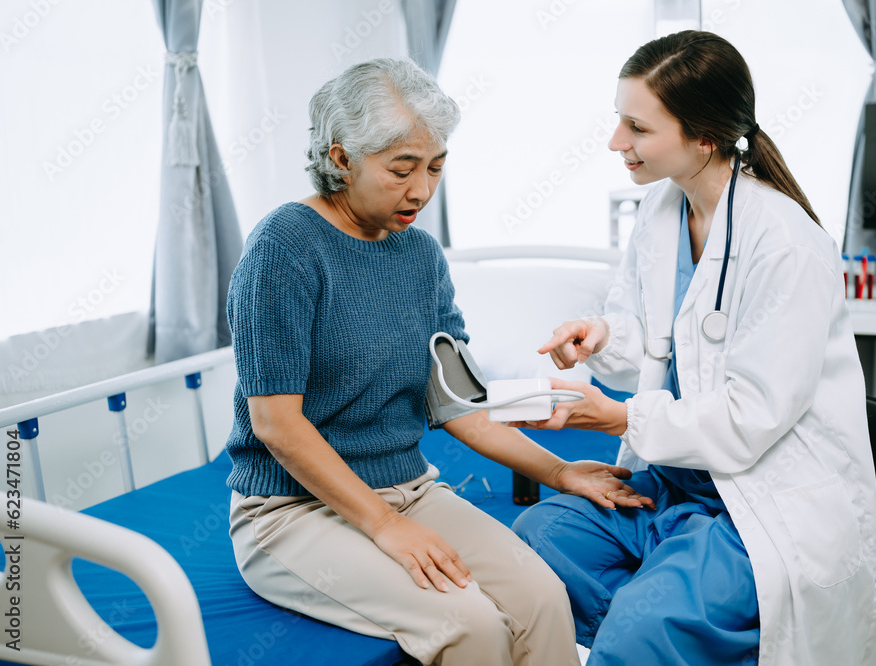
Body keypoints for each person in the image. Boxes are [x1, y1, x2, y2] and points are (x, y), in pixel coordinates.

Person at [224, 57, 649, 666]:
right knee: (468, 624)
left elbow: (457, 405)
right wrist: (385, 526)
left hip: (408, 489)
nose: (422, 190)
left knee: (543, 599)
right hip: (291, 512)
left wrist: (560, 472)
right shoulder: (284, 249)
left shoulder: (420, 256)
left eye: (436, 167)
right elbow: (277, 426)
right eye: (402, 169)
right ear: (340, 159)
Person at [511, 32, 876, 665]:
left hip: (754, 504)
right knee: (537, 540)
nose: (615, 143)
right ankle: (658, 633)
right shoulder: (662, 208)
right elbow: (655, 337)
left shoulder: (786, 245)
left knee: (640, 627)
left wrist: (619, 415)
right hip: (673, 486)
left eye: (637, 127)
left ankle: (648, 632)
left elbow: (751, 418)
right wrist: (603, 335)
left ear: (704, 138)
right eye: (618, 121)